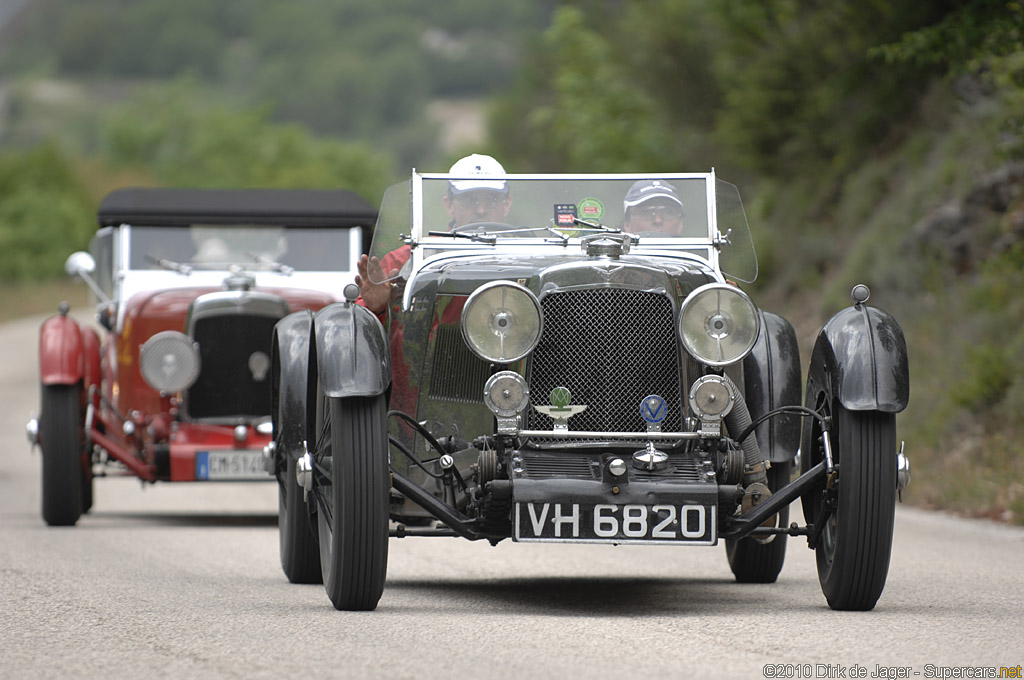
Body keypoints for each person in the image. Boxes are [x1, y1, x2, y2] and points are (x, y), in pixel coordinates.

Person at [355, 153, 509, 317]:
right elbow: (362, 320)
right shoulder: (407, 260)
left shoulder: (535, 257)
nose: (481, 210)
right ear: (449, 205)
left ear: (507, 204)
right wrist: (378, 308)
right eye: (469, 200)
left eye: (491, 200)